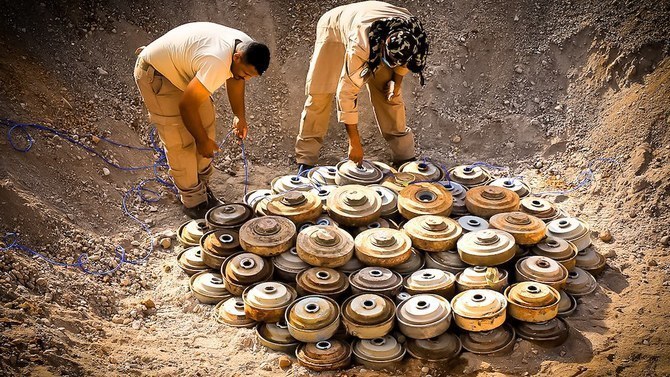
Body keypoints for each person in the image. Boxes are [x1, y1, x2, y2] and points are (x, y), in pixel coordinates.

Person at [134, 22, 270, 219]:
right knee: (181, 142)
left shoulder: (245, 47)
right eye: (247, 73)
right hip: (157, 74)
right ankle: (193, 202)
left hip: (185, 71)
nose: (247, 79)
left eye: (251, 76)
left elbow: (236, 78)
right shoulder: (216, 62)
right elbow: (186, 106)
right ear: (236, 57)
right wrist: (201, 140)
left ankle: (201, 187)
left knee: (205, 127)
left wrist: (239, 116)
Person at [294, 1, 428, 172]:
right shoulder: (361, 45)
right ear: (381, 46)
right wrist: (354, 143)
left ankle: (404, 155)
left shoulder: (415, 36)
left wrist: (397, 82)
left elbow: (404, 64)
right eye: (390, 61)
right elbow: (346, 93)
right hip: (333, 28)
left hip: (371, 22)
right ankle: (306, 157)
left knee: (389, 93)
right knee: (320, 92)